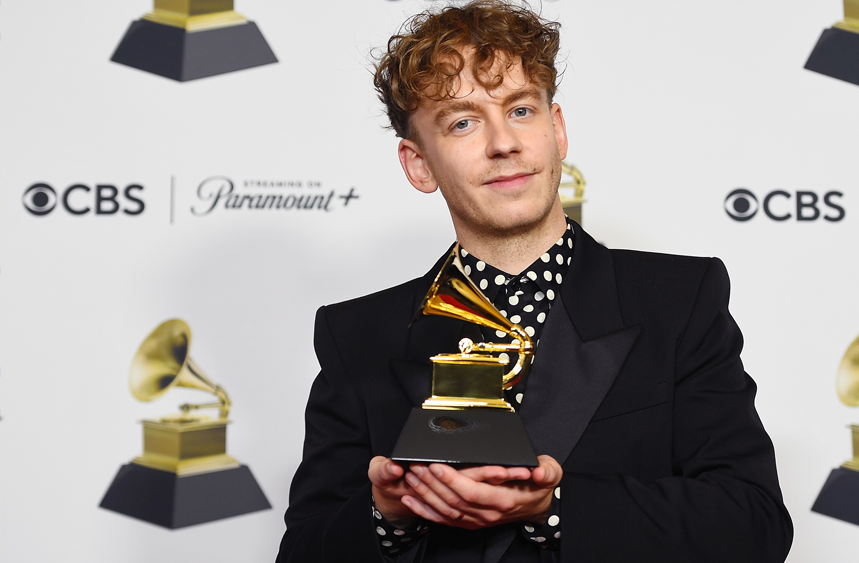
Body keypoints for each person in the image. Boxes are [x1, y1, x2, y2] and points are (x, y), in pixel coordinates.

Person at [277, 1, 793, 561]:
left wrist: (554, 507)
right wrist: (388, 516)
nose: (504, 142)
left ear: (558, 128)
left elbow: (753, 524)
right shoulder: (357, 336)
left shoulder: (677, 299)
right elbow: (304, 550)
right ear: (418, 164)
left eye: (521, 110)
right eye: (463, 122)